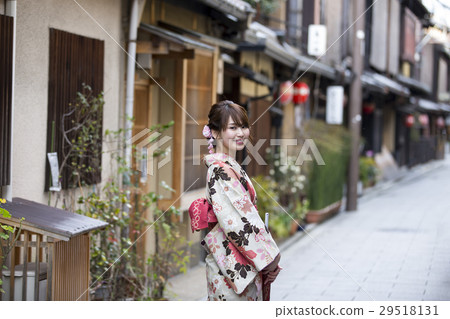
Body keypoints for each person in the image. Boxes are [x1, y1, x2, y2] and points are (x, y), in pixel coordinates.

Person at [200, 100, 281, 301]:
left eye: (243, 126)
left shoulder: (230, 166)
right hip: (230, 268)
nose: (241, 133)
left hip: (239, 262)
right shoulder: (220, 170)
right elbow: (237, 222)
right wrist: (270, 258)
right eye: (233, 128)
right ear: (216, 132)